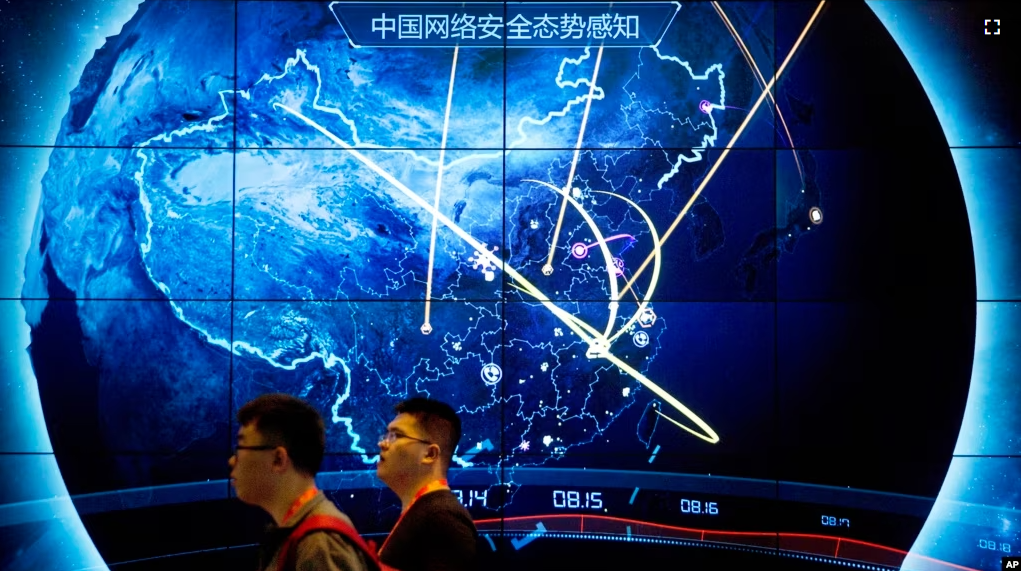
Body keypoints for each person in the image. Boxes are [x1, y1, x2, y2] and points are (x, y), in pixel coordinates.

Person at [230, 393, 371, 571]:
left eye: (241, 448)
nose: (232, 461)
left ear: (278, 460)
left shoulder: (319, 544)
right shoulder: (300, 534)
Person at [376, 397, 478, 571]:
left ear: (430, 454)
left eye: (396, 436)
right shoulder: (427, 511)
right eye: (387, 435)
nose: (382, 443)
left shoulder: (444, 518)